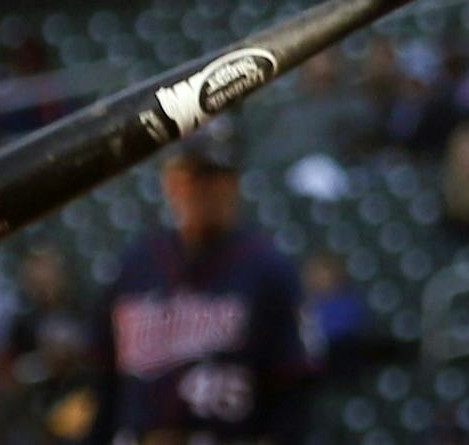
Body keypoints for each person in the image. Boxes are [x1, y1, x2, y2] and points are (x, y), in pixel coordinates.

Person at [91, 131, 311, 443]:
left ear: (232, 184)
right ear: (168, 183)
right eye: (190, 177)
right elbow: (105, 378)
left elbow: (294, 381)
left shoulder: (267, 267)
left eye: (212, 177)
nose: (200, 190)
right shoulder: (136, 264)